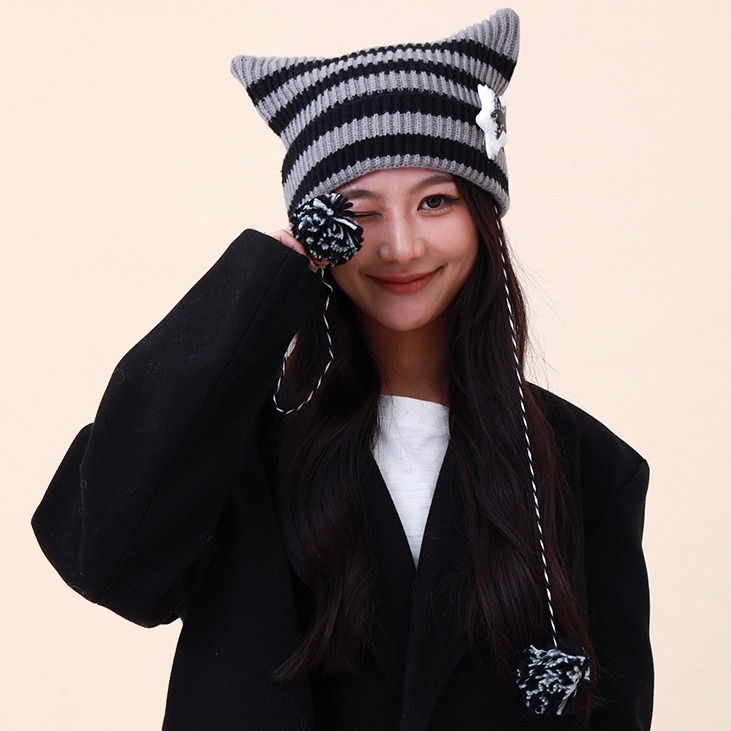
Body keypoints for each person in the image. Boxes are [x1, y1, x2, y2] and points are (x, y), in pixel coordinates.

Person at [32, 9, 653, 730]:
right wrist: (273, 270)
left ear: (482, 217)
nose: (400, 245)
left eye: (436, 201)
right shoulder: (238, 449)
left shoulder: (586, 465)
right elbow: (104, 557)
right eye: (358, 210)